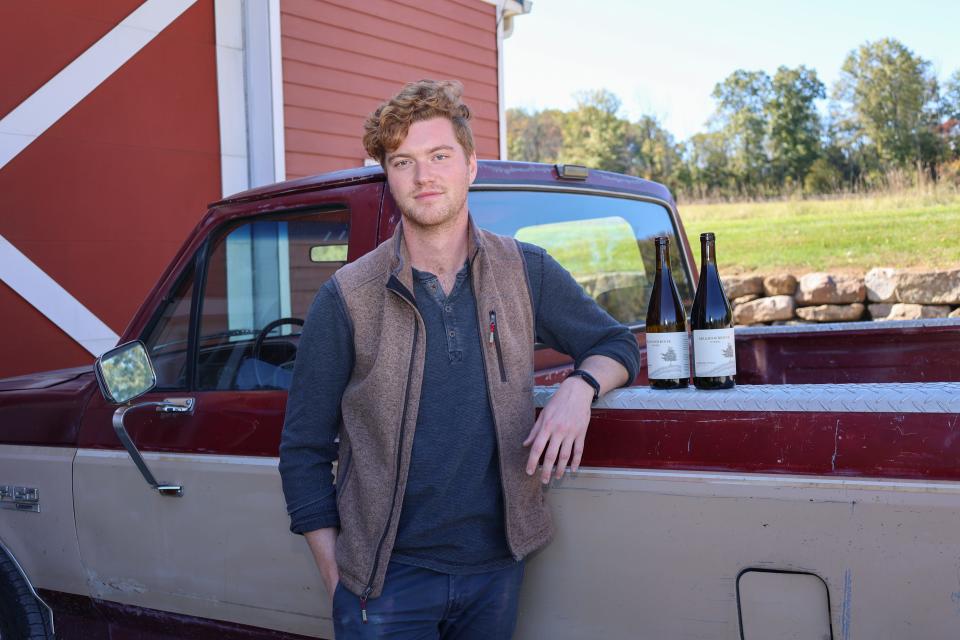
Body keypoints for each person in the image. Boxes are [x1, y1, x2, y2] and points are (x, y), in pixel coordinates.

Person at [279, 79, 640, 638]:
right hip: (386, 584)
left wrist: (579, 390)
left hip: (497, 573)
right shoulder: (348, 296)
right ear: (388, 175)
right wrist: (342, 587)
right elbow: (302, 451)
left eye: (439, 156)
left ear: (470, 166)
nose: (424, 177)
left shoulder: (525, 270)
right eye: (404, 162)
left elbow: (615, 343)